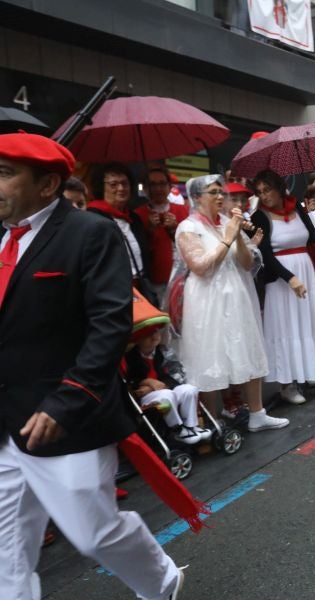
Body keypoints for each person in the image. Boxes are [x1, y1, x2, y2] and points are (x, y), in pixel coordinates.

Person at [0, 133, 185, 599]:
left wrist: (67, 402)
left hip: (63, 418)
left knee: (93, 533)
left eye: (4, 174)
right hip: (3, 421)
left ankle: (161, 580)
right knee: (5, 547)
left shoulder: (89, 233)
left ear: (46, 185)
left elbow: (109, 324)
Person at [174, 174, 288, 432]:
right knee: (211, 353)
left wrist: (237, 235)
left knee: (247, 347)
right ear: (197, 198)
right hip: (207, 301)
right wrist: (227, 238)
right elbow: (201, 266)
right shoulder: (188, 227)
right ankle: (214, 418)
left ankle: (257, 413)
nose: (220, 197)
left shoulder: (227, 222)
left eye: (220, 192)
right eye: (213, 192)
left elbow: (247, 264)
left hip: (237, 295)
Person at [249, 170, 315, 404]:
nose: (264, 196)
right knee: (286, 328)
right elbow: (264, 254)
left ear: (279, 187)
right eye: (260, 192)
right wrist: (290, 278)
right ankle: (287, 384)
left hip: (307, 271)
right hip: (281, 281)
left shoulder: (296, 206)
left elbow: (314, 236)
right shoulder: (259, 217)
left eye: (268, 190)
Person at [125, 325, 211, 445]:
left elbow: (175, 375)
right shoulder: (130, 357)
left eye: (155, 332)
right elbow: (131, 380)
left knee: (189, 389)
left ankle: (191, 425)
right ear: (137, 339)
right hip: (147, 398)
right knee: (166, 395)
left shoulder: (164, 352)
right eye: (147, 335)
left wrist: (151, 385)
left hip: (166, 387)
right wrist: (146, 382)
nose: (153, 336)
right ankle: (178, 429)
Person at [87, 162, 153, 298]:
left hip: (140, 287)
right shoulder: (92, 218)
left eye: (125, 183)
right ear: (101, 187)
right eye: (113, 184)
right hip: (110, 290)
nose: (121, 188)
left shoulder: (134, 218)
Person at [135, 166, 190, 301]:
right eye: (152, 185)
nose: (158, 189)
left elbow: (192, 244)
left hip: (184, 277)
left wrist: (174, 229)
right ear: (146, 188)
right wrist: (149, 230)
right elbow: (138, 251)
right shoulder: (138, 215)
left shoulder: (183, 210)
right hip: (155, 280)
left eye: (162, 184)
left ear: (169, 186)